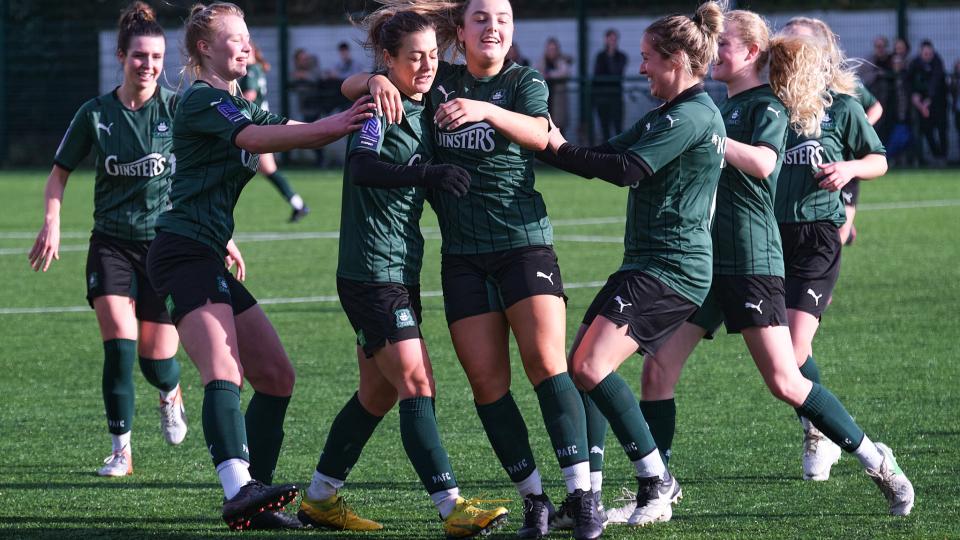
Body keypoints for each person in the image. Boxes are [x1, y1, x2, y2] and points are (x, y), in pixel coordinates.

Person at [603, 10, 912, 524]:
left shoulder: (767, 104)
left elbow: (766, 162)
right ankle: (657, 492)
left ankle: (877, 461)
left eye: (723, 44)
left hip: (751, 260)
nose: (713, 51)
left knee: (786, 380)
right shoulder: (715, 106)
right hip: (704, 261)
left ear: (750, 53)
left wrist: (709, 139)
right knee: (657, 371)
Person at [344, 1, 601, 539]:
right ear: (459, 31)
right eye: (481, 18)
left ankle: (581, 493)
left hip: (523, 244)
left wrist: (484, 111)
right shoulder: (438, 77)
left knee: (545, 362)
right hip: (461, 256)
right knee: (487, 383)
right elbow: (353, 86)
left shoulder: (525, 82)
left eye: (503, 18)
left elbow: (538, 133)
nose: (494, 27)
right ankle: (535, 499)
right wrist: (374, 80)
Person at [144, 2, 375, 530]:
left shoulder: (235, 102)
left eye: (248, 37)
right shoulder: (204, 99)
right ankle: (237, 489)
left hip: (206, 249)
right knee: (223, 372)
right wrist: (343, 120)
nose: (247, 46)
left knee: (275, 376)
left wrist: (358, 107)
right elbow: (255, 140)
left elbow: (297, 129)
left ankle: (259, 500)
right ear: (205, 48)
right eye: (236, 38)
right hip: (181, 252)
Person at [297, 10, 509, 537]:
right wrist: (426, 172)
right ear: (387, 61)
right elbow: (363, 166)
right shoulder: (378, 105)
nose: (426, 65)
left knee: (378, 392)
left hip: (399, 265)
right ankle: (450, 506)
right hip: (371, 271)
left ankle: (320, 498)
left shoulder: (425, 102)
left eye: (433, 55)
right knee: (417, 382)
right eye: (414, 57)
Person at [540, 2, 727, 527]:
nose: (640, 67)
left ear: (678, 60)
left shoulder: (692, 115)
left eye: (648, 58)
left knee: (588, 367)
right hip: (647, 263)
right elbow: (595, 154)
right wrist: (543, 140)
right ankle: (588, 497)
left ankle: (656, 477)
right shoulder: (666, 114)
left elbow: (625, 170)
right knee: (584, 367)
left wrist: (552, 144)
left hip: (672, 268)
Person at [29, 1, 187, 478]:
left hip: (165, 247)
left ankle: (170, 393)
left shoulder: (176, 109)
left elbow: (203, 174)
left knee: (157, 361)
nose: (149, 65)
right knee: (119, 344)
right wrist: (52, 221)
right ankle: (121, 451)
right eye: (140, 56)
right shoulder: (95, 114)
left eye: (157, 57)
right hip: (112, 245)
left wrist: (219, 235)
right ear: (122, 56)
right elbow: (58, 175)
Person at [768, 19, 913, 511]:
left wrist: (850, 168)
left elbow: (879, 160)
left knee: (790, 350)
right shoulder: (770, 106)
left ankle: (830, 435)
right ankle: (819, 428)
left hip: (817, 238)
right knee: (783, 357)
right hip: (769, 238)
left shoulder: (842, 106)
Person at [239, 40, 310, 222]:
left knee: (266, 170)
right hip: (257, 126)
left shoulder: (251, 70)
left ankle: (299, 205)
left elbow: (249, 97)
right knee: (267, 170)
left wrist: (229, 103)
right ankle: (298, 205)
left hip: (254, 128)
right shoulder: (257, 68)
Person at [839, 81, 883, 245]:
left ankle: (845, 231)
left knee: (840, 230)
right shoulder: (803, 85)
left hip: (848, 164)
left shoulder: (847, 83)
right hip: (818, 165)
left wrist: (860, 128)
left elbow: (876, 107)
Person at [907, 40, 949, 166]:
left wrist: (928, 100)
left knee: (942, 130)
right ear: (921, 53)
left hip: (938, 104)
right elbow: (908, 82)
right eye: (925, 54)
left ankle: (943, 157)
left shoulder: (938, 62)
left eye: (930, 53)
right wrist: (915, 98)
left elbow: (935, 82)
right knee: (926, 130)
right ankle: (936, 155)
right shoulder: (915, 64)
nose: (928, 56)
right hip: (922, 106)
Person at [592, 29, 628, 142]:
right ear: (605, 40)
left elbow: (616, 72)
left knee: (618, 127)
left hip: (615, 96)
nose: (612, 42)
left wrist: (611, 55)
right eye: (610, 39)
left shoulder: (621, 56)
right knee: (604, 128)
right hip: (602, 97)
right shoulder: (600, 56)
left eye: (614, 39)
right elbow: (597, 75)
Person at [539, 37, 573, 133]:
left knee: (560, 131)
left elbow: (564, 72)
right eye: (550, 49)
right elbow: (536, 72)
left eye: (554, 49)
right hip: (545, 101)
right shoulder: (542, 61)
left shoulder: (562, 61)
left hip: (558, 100)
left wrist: (549, 74)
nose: (552, 52)